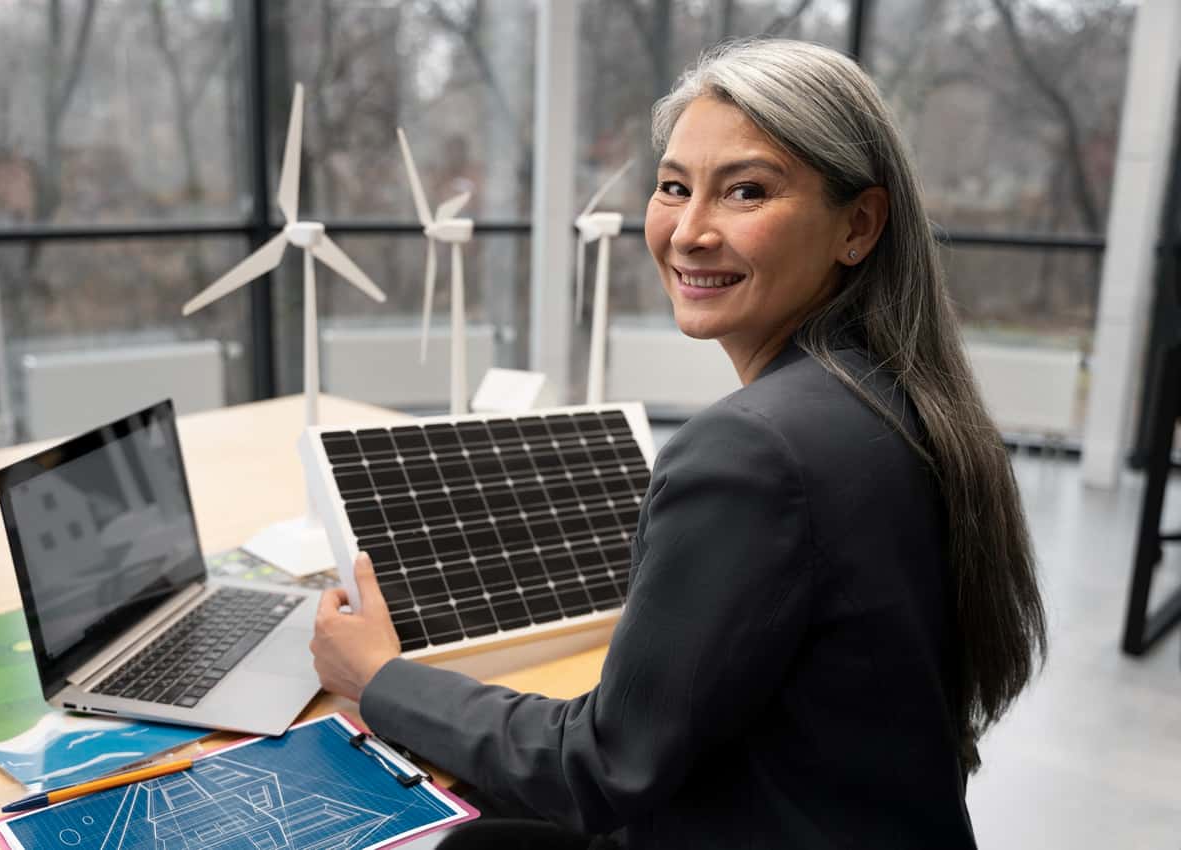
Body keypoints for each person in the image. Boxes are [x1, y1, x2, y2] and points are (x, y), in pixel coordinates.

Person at [309, 38, 1046, 849]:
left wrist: (379, 678)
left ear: (859, 225)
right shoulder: (901, 397)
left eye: (746, 191)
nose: (690, 231)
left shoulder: (754, 450)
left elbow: (600, 766)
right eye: (673, 187)